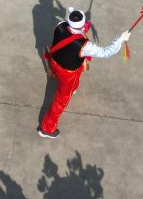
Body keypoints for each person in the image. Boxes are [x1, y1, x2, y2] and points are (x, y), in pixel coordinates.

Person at [39, 8, 130, 139]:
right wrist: (120, 39)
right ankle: (47, 129)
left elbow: (74, 29)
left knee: (77, 72)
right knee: (61, 100)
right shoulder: (84, 46)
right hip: (68, 73)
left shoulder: (60, 25)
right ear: (82, 25)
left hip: (55, 62)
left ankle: (72, 88)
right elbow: (105, 52)